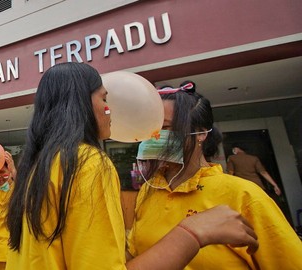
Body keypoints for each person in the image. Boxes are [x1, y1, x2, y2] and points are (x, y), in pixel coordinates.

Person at [5, 62, 258, 270]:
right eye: (104, 99)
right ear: (81, 103)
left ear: (202, 134)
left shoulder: (38, 165)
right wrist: (193, 233)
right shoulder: (87, 163)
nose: (110, 110)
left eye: (165, 128)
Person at [127, 81, 302, 269]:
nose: (154, 135)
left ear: (201, 133)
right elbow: (134, 254)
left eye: (165, 128)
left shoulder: (244, 195)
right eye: (150, 128)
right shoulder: (148, 190)